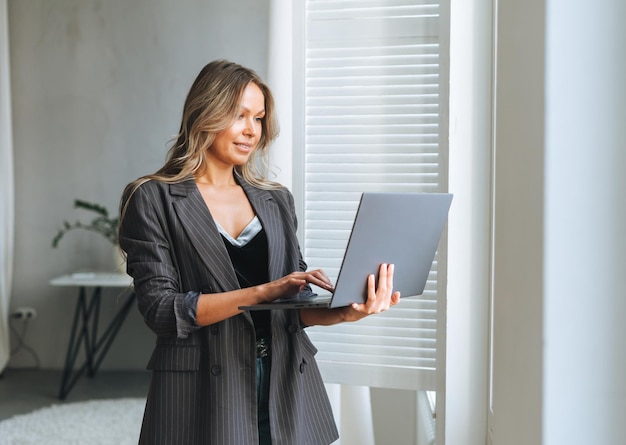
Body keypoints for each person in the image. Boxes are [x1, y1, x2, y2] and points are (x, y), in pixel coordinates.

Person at [118, 59, 401, 445]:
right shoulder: (152, 198)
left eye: (260, 117)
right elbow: (162, 311)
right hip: (202, 390)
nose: (252, 130)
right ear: (205, 113)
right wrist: (263, 292)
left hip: (285, 380)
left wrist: (346, 313)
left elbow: (292, 310)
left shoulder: (275, 201)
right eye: (239, 115)